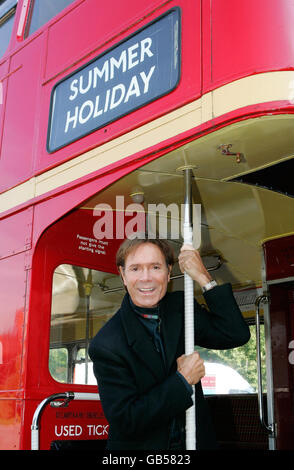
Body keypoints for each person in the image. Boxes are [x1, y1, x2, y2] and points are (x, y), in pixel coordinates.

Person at [89, 238, 250, 450]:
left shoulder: (181, 307)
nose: (146, 278)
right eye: (136, 269)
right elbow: (127, 420)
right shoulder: (107, 343)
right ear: (123, 275)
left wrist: (203, 276)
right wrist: (182, 381)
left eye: (155, 267)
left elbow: (234, 334)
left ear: (168, 271)